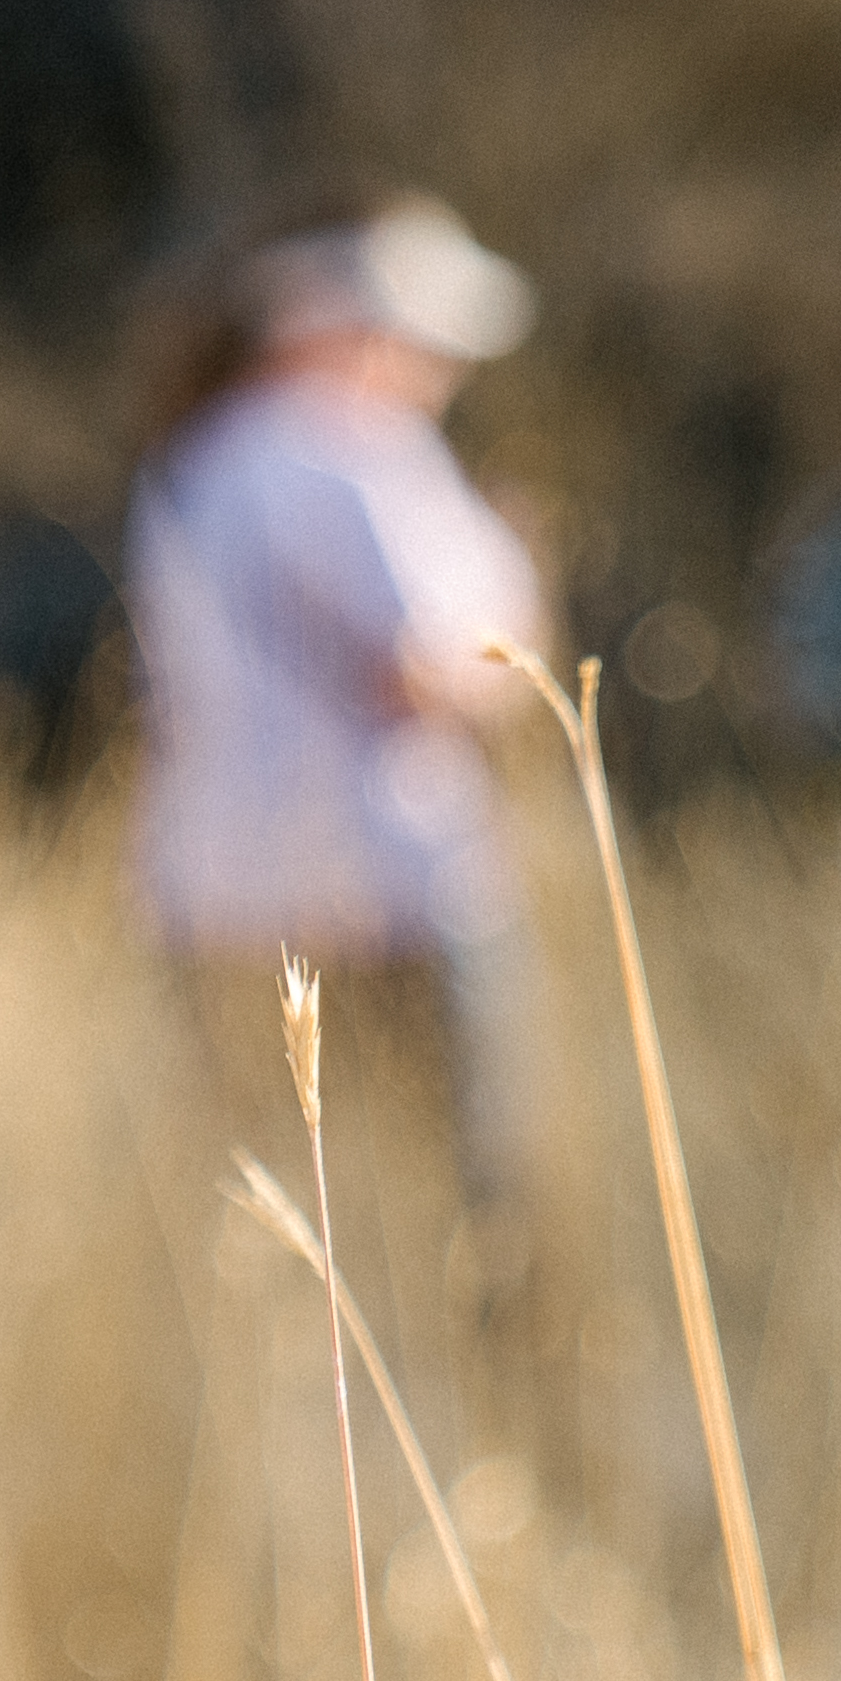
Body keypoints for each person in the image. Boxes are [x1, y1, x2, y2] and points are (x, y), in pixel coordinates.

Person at [127, 194, 554, 1282]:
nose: (438, 367)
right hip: (393, 887)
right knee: (463, 1224)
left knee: (263, 1228)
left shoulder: (194, 463)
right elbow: (440, 668)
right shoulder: (346, 456)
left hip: (217, 894)